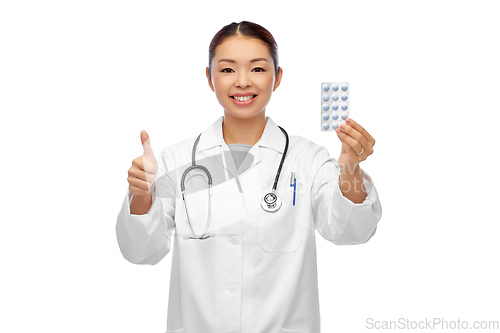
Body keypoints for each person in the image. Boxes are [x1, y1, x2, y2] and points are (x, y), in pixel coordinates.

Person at [116, 21, 382, 333]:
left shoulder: (307, 158)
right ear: (209, 78)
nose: (242, 82)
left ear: (277, 77)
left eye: (257, 69)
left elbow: (350, 231)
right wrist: (142, 193)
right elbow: (140, 252)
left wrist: (350, 167)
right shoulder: (177, 160)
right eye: (227, 70)